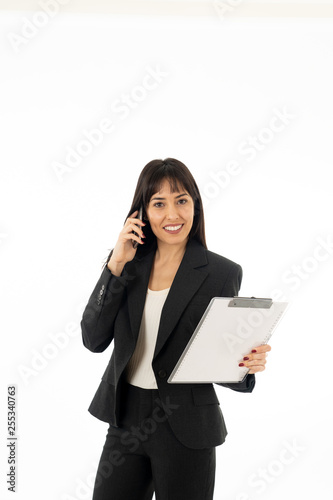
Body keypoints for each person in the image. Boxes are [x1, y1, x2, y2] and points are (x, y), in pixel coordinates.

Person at [80, 158, 271, 500]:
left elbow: (220, 356)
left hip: (186, 424)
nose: (172, 215)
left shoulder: (220, 273)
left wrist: (246, 364)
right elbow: (92, 338)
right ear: (141, 213)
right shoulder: (128, 265)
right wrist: (116, 263)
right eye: (159, 203)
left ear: (195, 205)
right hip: (126, 418)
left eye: (181, 200)